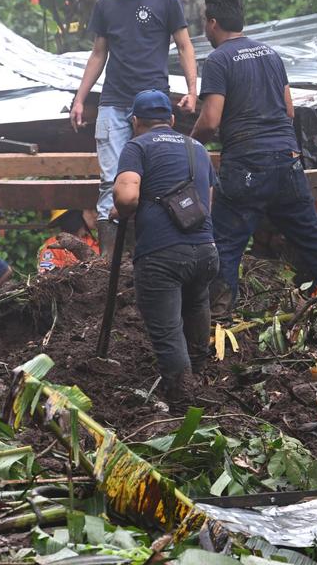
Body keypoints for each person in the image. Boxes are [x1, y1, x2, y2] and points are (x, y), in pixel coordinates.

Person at [191, 0, 317, 331]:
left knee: (226, 242)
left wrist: (189, 143)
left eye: (205, 23)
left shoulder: (218, 61)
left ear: (212, 23)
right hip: (287, 161)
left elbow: (211, 120)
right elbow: (288, 110)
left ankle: (218, 321)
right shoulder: (270, 54)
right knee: (313, 238)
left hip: (246, 165)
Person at [69, 0, 198, 257]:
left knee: (156, 176)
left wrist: (193, 90)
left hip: (153, 102)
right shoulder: (106, 4)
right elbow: (98, 53)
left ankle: (153, 252)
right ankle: (109, 261)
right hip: (114, 100)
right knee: (110, 179)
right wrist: (80, 98)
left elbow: (184, 46)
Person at [113, 90, 217, 413]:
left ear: (135, 121)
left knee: (168, 328)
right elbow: (207, 201)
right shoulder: (198, 148)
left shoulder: (137, 146)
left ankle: (184, 400)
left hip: (162, 255)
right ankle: (200, 376)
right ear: (172, 120)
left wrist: (120, 207)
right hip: (205, 249)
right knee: (196, 305)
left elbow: (128, 197)